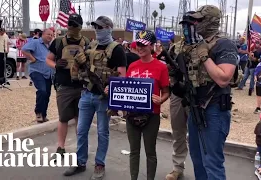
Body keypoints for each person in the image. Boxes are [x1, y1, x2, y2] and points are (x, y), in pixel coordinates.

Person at [179, 6, 238, 179]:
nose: (195, 24)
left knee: (212, 161)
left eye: (199, 20)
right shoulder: (196, 44)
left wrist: (204, 56)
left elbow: (223, 78)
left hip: (214, 110)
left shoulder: (224, 44)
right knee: (197, 158)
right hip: (195, 107)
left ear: (210, 21)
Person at [64, 16, 127, 180]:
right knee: (81, 130)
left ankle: (100, 164)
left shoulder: (117, 49)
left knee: (102, 132)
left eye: (101, 27)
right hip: (86, 94)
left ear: (109, 28)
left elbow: (122, 75)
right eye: (96, 27)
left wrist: (110, 88)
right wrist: (77, 66)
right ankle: (80, 162)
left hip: (103, 97)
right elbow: (76, 69)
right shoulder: (91, 45)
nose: (98, 30)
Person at [124, 30, 169, 180]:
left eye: (144, 45)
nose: (140, 48)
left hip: (152, 114)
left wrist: (161, 100)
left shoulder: (161, 67)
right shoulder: (132, 66)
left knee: (150, 152)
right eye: (138, 45)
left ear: (151, 46)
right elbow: (127, 89)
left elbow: (166, 91)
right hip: (132, 114)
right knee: (134, 151)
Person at [46, 14, 89, 159]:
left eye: (75, 25)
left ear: (80, 26)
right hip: (64, 85)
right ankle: (60, 147)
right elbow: (48, 60)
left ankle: (80, 147)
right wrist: (56, 65)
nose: (72, 27)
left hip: (81, 85)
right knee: (63, 118)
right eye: (71, 24)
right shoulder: (58, 42)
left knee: (80, 118)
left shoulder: (86, 42)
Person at [165, 38, 190, 180]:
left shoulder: (205, 46)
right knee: (178, 131)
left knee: (198, 134)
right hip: (177, 93)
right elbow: (168, 67)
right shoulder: (175, 47)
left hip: (196, 95)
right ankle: (177, 167)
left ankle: (205, 169)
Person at [21, 29, 54, 123]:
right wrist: (32, 59)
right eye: (48, 34)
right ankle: (38, 112)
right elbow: (24, 50)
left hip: (48, 73)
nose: (50, 36)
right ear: (43, 34)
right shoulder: (35, 42)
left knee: (47, 94)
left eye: (51, 35)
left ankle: (44, 114)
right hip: (37, 71)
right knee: (42, 90)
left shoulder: (50, 46)